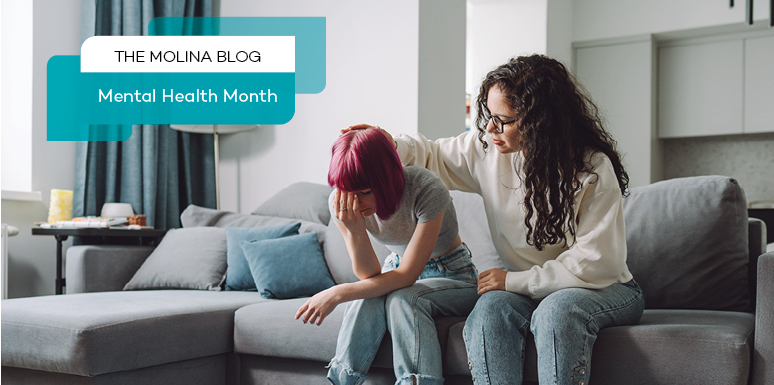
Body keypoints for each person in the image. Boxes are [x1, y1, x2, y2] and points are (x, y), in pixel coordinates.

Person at [372, 54, 645, 385]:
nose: (490, 128)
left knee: (556, 313)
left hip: (605, 287)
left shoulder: (592, 169)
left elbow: (596, 262)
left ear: (539, 122)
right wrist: (387, 146)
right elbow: (431, 154)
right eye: (488, 115)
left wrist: (514, 281)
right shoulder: (488, 149)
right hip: (531, 288)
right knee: (488, 313)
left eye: (503, 119)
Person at [295, 126, 479, 385]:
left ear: (386, 178)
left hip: (453, 273)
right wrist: (355, 230)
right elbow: (369, 276)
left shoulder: (425, 188)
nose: (355, 203)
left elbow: (407, 275)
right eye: (349, 193)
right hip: (395, 266)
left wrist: (338, 292)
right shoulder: (341, 203)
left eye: (365, 192)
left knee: (405, 299)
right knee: (365, 297)